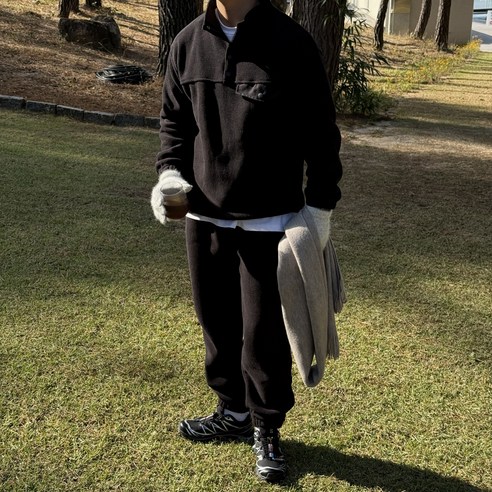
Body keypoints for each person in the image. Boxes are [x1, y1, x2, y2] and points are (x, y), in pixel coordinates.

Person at [151, 0, 342, 483]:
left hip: (270, 221)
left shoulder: (292, 42)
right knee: (215, 321)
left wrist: (320, 209)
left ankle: (266, 425)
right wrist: (169, 175)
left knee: (264, 334)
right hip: (204, 216)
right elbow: (174, 121)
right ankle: (232, 411)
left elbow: (321, 133)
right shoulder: (187, 43)